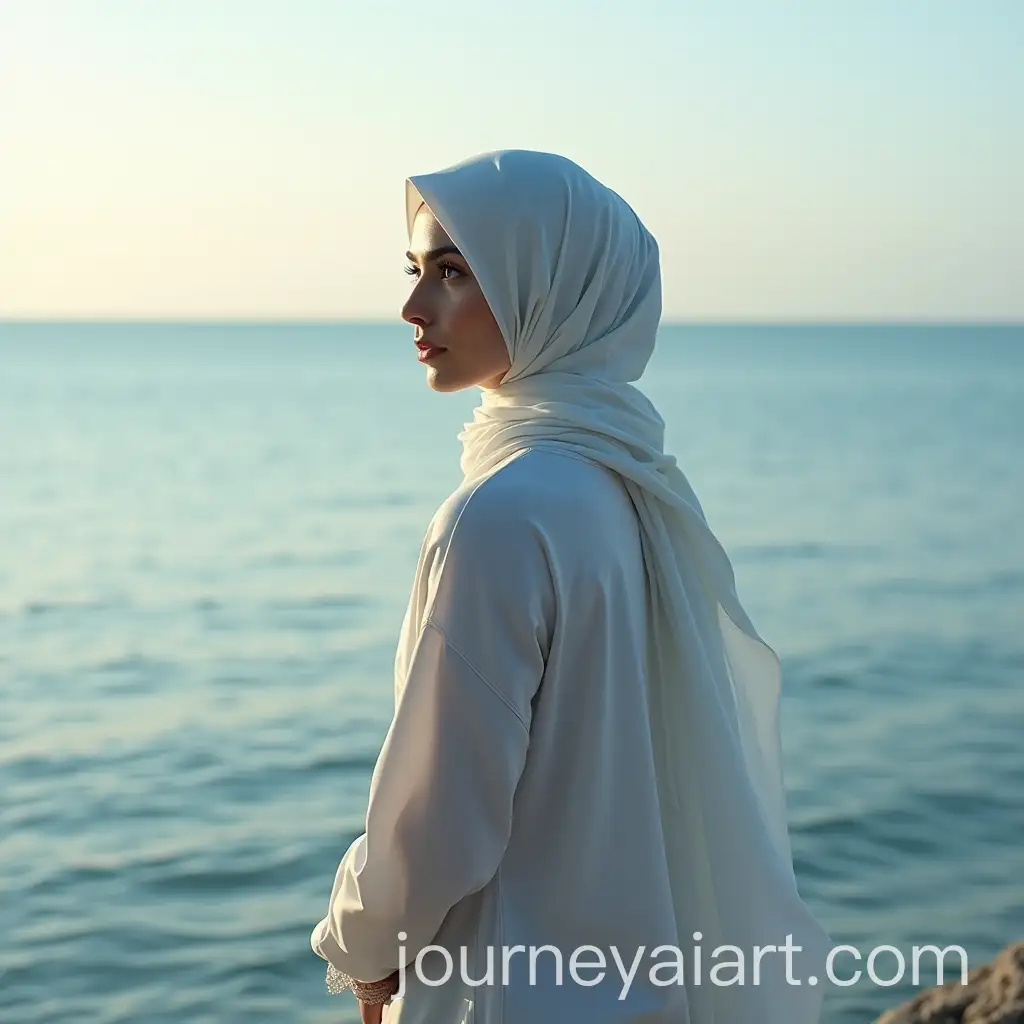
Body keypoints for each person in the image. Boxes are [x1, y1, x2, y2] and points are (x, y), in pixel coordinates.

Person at [310, 149, 832, 1024]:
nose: (411, 306)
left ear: (549, 288)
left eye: (454, 271)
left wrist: (363, 950)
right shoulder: (626, 489)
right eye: (415, 271)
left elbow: (435, 821)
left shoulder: (499, 518)